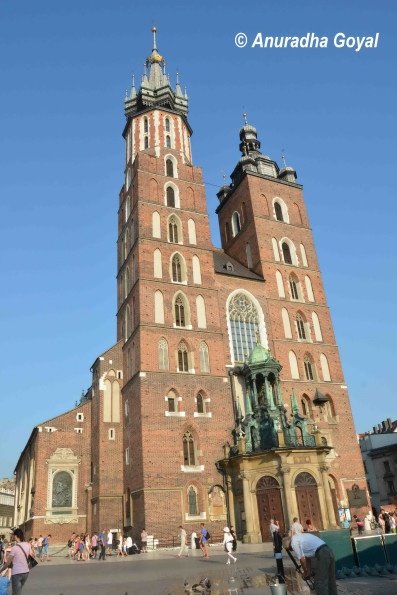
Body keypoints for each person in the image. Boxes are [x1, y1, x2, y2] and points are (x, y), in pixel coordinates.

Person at [0, 528, 35, 595]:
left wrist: (1, 570)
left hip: (17, 573)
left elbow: (8, 563)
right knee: (18, 591)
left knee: (16, 593)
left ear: (16, 536)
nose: (12, 537)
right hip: (26, 572)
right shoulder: (28, 545)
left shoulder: (15, 548)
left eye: (13, 535)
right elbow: (32, 556)